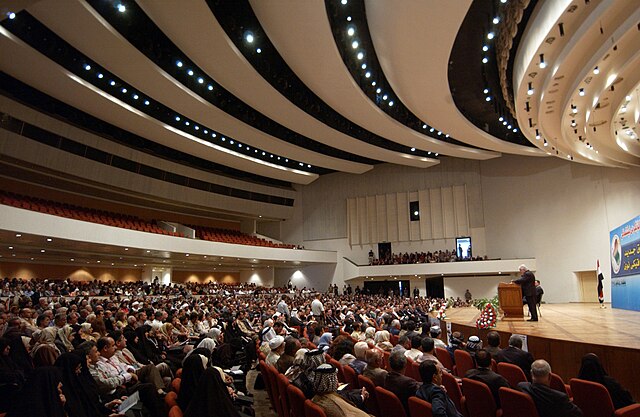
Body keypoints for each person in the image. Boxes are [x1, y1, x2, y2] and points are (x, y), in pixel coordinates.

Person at [517, 359, 583, 417]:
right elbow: (578, 414)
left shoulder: (522, 387)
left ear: (531, 373)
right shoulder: (560, 398)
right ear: (550, 376)